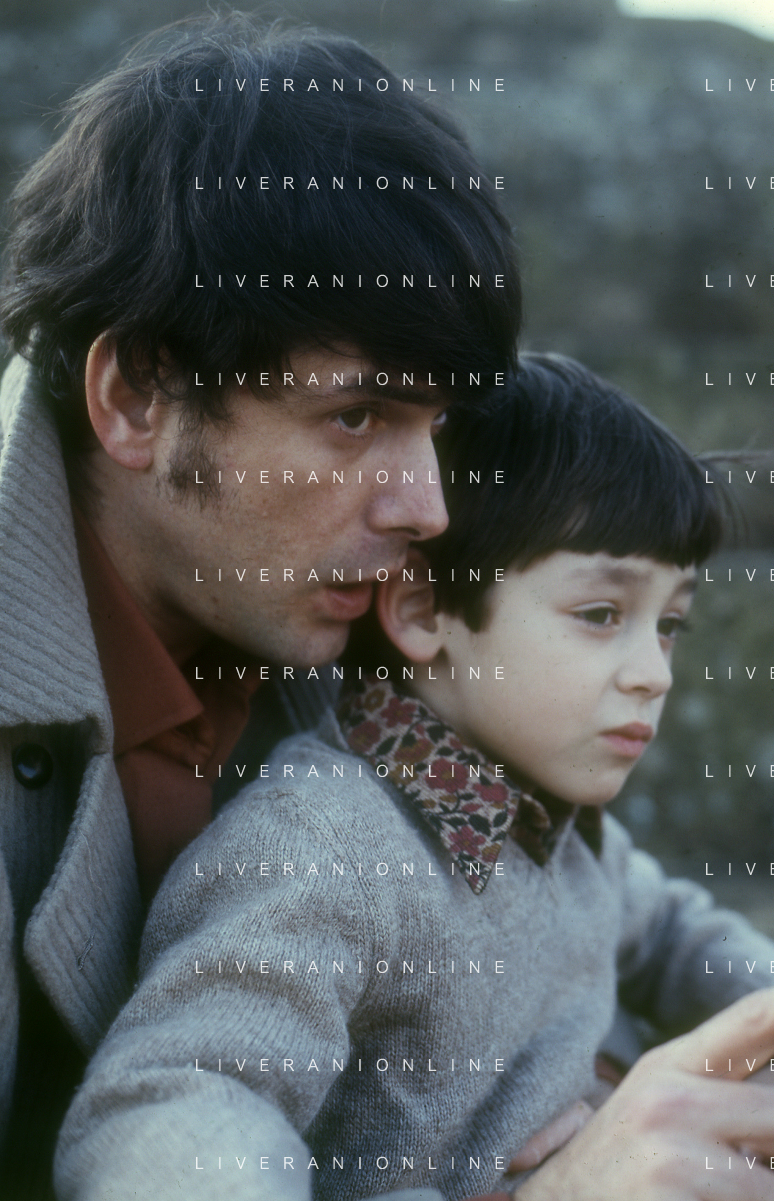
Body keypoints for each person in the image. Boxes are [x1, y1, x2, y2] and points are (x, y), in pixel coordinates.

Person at [54, 356, 774, 1201]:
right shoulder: (322, 847)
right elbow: (185, 1092)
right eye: (600, 613)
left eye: (669, 625)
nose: (653, 673)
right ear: (422, 610)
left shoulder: (546, 819)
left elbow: (667, 928)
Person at [0, 15, 520, 1194]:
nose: (427, 506)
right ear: (136, 398)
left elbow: (563, 902)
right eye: (355, 417)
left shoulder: (357, 630)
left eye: (436, 424)